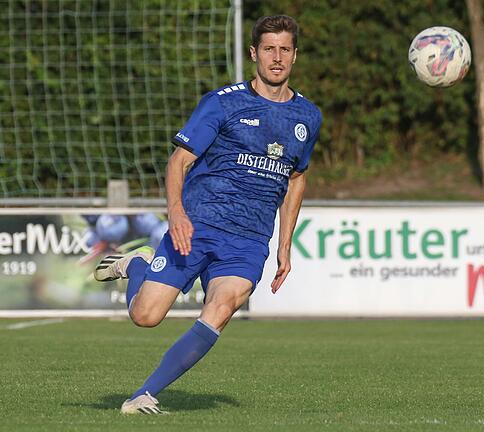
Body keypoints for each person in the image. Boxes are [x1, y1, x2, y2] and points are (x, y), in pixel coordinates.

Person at [94, 14, 322, 414]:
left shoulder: (308, 117)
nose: (277, 57)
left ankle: (144, 395)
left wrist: (285, 245)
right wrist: (177, 214)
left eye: (285, 49)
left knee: (223, 305)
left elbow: (297, 178)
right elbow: (178, 162)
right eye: (269, 48)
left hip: (249, 239)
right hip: (197, 226)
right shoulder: (223, 102)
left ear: (295, 55)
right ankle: (135, 266)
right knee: (146, 316)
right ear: (254, 53)